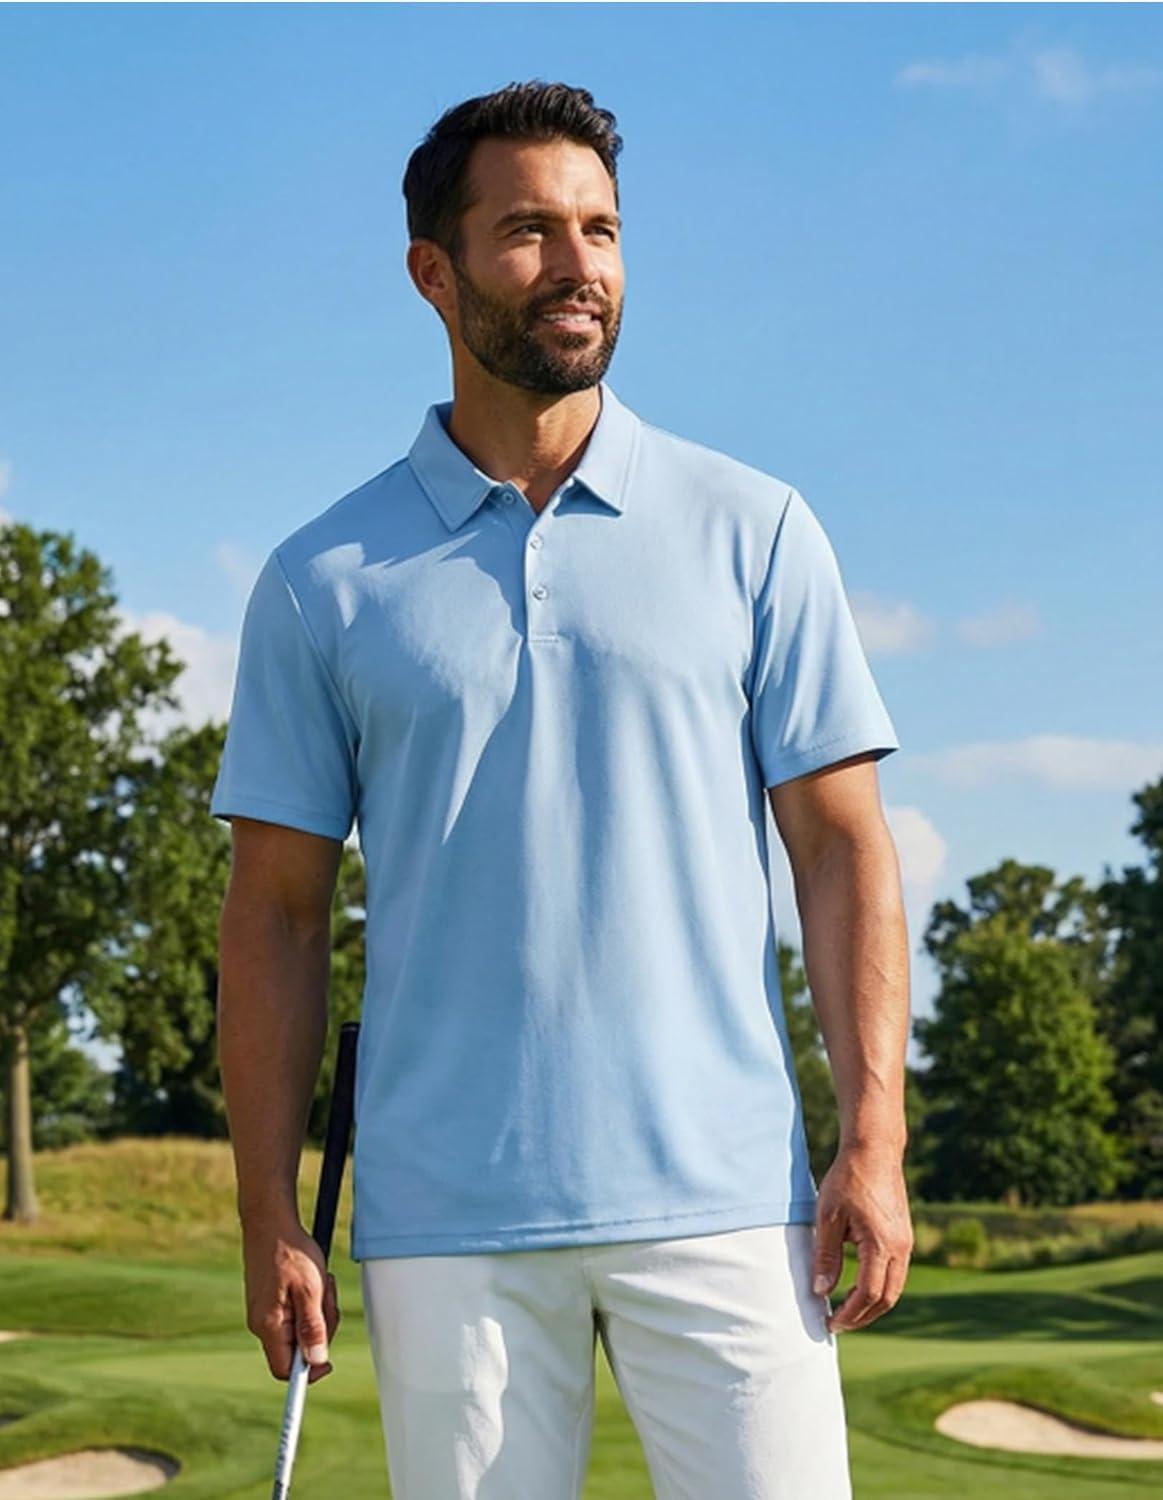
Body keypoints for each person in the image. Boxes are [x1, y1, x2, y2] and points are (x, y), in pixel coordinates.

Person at [212, 78, 913, 1500]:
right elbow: (276, 914)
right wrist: (267, 1209)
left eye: (601, 228)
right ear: (435, 271)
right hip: (447, 1220)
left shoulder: (758, 529)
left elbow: (842, 850)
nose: (578, 263)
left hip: (730, 1202)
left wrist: (875, 1138)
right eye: (529, 230)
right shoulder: (317, 581)